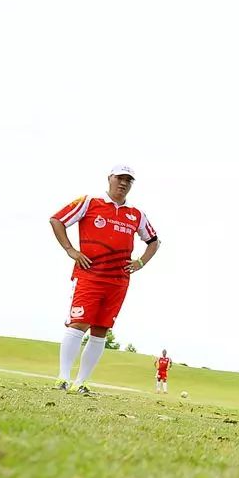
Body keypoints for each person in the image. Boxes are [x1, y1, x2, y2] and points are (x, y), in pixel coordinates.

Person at [49, 165, 160, 395]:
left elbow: (154, 241)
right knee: (78, 324)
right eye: (119, 178)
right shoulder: (89, 202)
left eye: (128, 180)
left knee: (101, 329)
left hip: (118, 281)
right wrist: (70, 249)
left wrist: (140, 262)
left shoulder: (136, 214)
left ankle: (82, 382)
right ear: (109, 178)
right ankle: (63, 378)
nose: (123, 183)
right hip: (89, 275)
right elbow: (57, 220)